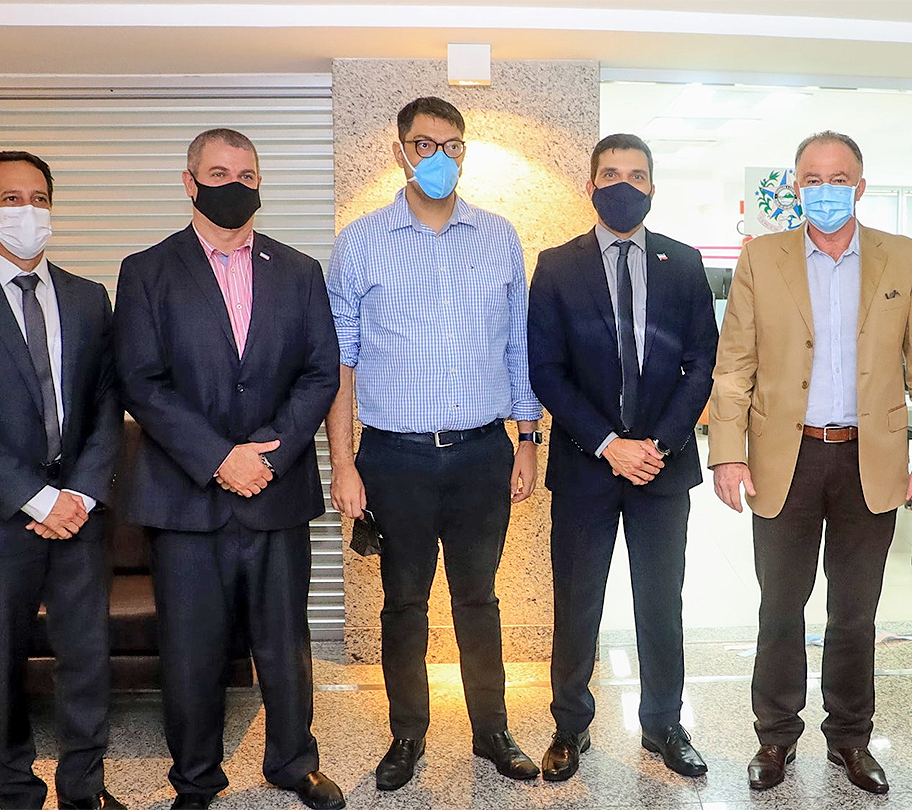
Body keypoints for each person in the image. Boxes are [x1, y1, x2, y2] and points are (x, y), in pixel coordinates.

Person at [709, 131, 912, 795]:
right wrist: (727, 453)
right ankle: (775, 736)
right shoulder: (762, 258)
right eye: (812, 179)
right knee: (780, 607)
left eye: (838, 178)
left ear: (860, 186)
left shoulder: (902, 257)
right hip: (784, 459)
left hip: (869, 460)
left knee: (855, 613)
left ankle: (850, 736)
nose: (825, 190)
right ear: (796, 187)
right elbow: (734, 367)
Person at [114, 129, 343, 810]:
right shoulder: (147, 271)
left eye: (247, 175)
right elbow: (141, 381)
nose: (234, 185)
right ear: (189, 183)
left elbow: (320, 372)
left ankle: (293, 763)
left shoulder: (299, 271)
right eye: (218, 173)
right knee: (191, 650)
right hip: (185, 499)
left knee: (285, 645)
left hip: (277, 489)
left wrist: (268, 452)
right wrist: (219, 458)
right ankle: (195, 777)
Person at [325, 96, 544, 788]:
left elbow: (518, 347)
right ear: (400, 152)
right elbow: (340, 363)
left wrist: (528, 437)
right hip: (395, 458)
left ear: (464, 153)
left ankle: (492, 731)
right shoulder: (361, 242)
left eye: (451, 145)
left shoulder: (498, 237)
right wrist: (343, 465)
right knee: (403, 603)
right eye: (424, 144)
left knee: (479, 599)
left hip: (483, 453)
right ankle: (407, 736)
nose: (439, 157)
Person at [0, 151, 124, 810]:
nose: (28, 211)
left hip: (80, 513)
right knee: (0, 669)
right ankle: (15, 791)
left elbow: (106, 405)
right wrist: (38, 501)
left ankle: (83, 790)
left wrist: (79, 495)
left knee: (86, 662)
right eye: (11, 199)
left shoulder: (89, 298)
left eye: (39, 198)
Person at [527, 133, 719, 782]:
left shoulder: (684, 263)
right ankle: (569, 726)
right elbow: (546, 371)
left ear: (653, 188)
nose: (624, 185)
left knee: (661, 604)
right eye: (611, 174)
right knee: (577, 602)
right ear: (590, 186)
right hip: (586, 465)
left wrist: (657, 444)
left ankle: (663, 723)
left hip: (662, 469)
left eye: (636, 176)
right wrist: (610, 445)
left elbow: (702, 364)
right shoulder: (557, 266)